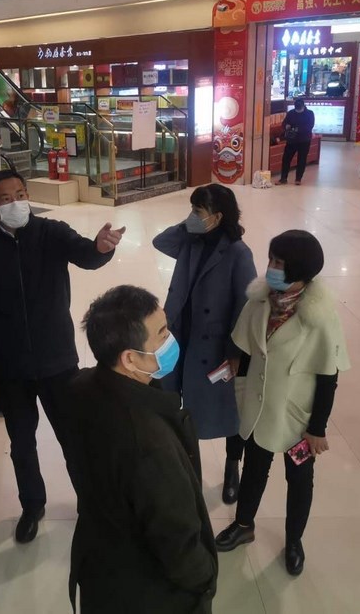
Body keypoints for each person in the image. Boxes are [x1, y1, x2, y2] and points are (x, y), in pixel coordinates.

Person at [0, 169, 125, 543]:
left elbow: (86, 254)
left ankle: (91, 503)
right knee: (22, 443)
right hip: (12, 367)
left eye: (21, 194)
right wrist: (6, 330)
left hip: (57, 360)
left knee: (73, 437)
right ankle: (32, 506)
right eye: (6, 199)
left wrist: (102, 248)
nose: (16, 202)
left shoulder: (50, 233)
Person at [65, 285, 218, 614]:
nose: (170, 340)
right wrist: (206, 579)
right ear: (130, 358)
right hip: (148, 592)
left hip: (101, 567)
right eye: (161, 334)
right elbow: (178, 544)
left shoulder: (81, 388)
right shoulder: (148, 444)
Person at [215, 230, 350, 577]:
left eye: (279, 263)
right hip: (259, 408)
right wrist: (237, 384)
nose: (271, 268)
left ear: (300, 271)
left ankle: (293, 541)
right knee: (254, 469)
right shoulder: (260, 301)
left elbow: (328, 377)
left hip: (297, 419)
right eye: (271, 259)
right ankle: (243, 525)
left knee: (300, 479)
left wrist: (317, 428)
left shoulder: (320, 318)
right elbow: (245, 346)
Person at [153, 184, 257, 505]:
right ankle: (188, 468)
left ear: (218, 217)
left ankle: (232, 465)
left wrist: (235, 352)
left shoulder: (238, 253)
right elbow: (160, 241)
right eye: (192, 210)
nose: (192, 217)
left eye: (198, 212)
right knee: (177, 403)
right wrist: (191, 224)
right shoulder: (190, 241)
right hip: (179, 335)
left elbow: (245, 305)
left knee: (228, 410)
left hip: (214, 345)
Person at [277, 98, 315, 186]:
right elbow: (284, 123)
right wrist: (286, 126)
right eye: (296, 109)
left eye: (299, 109)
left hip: (304, 140)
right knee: (286, 159)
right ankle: (283, 178)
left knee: (301, 159)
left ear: (303, 106)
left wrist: (295, 128)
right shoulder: (291, 113)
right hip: (291, 140)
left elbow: (309, 126)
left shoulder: (309, 113)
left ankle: (298, 179)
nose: (297, 111)